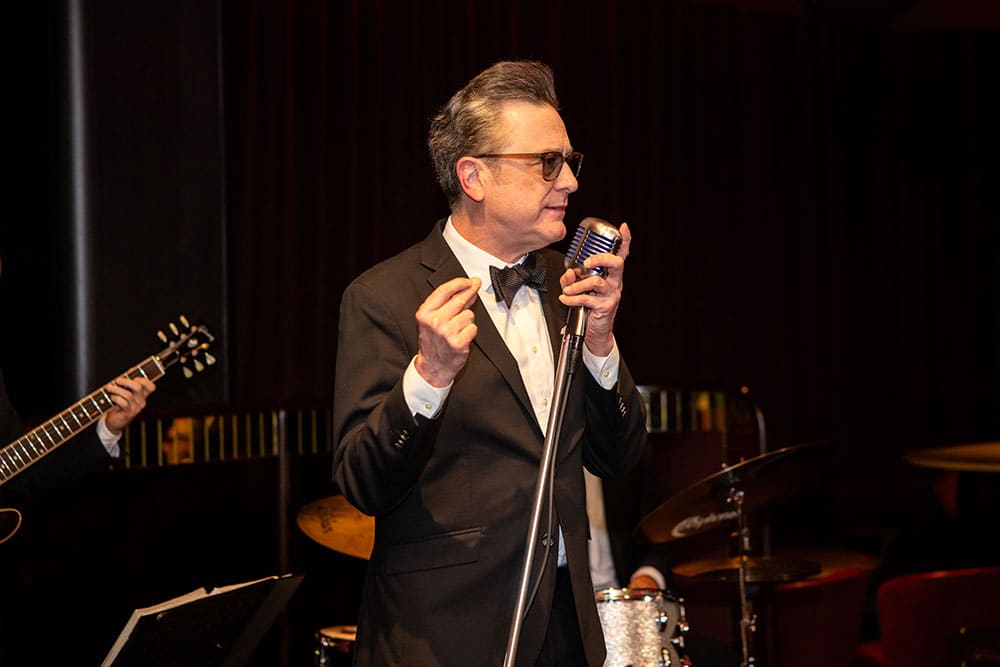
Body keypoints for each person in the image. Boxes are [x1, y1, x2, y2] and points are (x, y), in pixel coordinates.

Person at [332, 60, 648, 666]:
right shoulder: (382, 297)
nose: (569, 182)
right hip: (445, 635)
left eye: (570, 162)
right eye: (546, 162)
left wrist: (601, 343)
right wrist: (428, 378)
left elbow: (618, 459)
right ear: (473, 176)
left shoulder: (569, 282)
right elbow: (362, 483)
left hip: (566, 628)